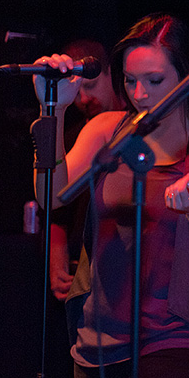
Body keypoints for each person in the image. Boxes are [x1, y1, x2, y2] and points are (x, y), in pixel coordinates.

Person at [32, 13, 189, 378]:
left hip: (174, 339)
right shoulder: (108, 130)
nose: (140, 93)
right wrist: (52, 108)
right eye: (129, 80)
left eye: (155, 81)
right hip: (98, 339)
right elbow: (51, 195)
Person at [49, 38, 125, 301]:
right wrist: (56, 262)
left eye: (90, 86)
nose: (83, 99)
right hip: (81, 271)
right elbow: (56, 208)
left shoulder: (137, 128)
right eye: (77, 91)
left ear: (111, 75)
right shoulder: (72, 136)